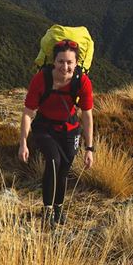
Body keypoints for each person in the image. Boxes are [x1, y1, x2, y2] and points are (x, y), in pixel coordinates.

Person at [18, 39, 95, 227]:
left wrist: (89, 148)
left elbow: (87, 115)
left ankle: (59, 208)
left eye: (69, 62)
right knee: (53, 162)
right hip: (44, 128)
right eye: (61, 61)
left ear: (77, 63)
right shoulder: (41, 79)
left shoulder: (81, 81)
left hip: (69, 129)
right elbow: (28, 113)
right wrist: (23, 143)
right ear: (54, 61)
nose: (65, 67)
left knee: (64, 170)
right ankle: (47, 211)